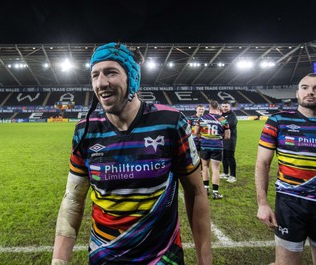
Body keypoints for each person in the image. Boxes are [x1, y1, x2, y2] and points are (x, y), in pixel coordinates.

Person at [51, 42, 212, 265]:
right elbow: (73, 201)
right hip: (105, 258)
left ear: (132, 78)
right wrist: (59, 261)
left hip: (163, 259)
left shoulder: (171, 123)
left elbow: (195, 192)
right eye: (95, 75)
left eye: (111, 72)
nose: (101, 83)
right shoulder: (85, 131)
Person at [255, 73, 316, 265]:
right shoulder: (278, 121)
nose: (310, 92)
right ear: (297, 93)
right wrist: (262, 203)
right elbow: (263, 163)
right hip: (290, 205)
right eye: (305, 87)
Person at [195, 100, 230, 199]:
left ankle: (206, 189)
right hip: (217, 146)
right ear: (218, 108)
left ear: (209, 108)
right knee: (216, 169)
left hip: (205, 145)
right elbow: (228, 136)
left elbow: (196, 132)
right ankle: (215, 192)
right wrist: (218, 138)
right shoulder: (223, 119)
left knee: (205, 167)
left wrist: (202, 138)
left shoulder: (202, 118)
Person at [219, 101, 238, 183]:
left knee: (230, 157)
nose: (224, 108)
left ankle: (233, 175)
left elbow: (230, 125)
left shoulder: (232, 115)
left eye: (226, 106)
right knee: (224, 157)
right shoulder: (221, 115)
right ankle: (225, 172)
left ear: (229, 107)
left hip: (230, 139)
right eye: (223, 106)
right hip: (223, 138)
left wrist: (221, 121)